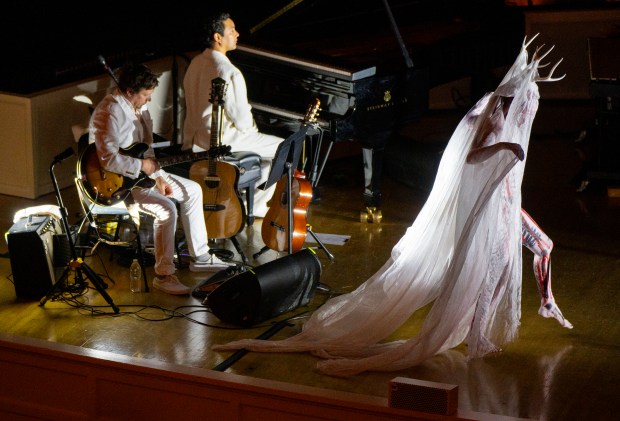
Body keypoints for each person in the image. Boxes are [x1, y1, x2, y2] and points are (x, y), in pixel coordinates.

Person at [212, 36, 573, 376]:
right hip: (489, 210)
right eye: (526, 107)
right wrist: (506, 151)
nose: (528, 115)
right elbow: (474, 156)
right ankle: (477, 332)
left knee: (539, 247)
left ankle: (544, 301)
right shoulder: (492, 121)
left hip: (506, 206)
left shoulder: (505, 118)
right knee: (483, 271)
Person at [88, 62, 234, 296]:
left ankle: (201, 258)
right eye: (146, 95)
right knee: (167, 209)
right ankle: (164, 275)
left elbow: (147, 152)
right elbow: (107, 159)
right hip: (118, 183)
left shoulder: (140, 109)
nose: (149, 100)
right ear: (129, 92)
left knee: (193, 190)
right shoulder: (110, 111)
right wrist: (142, 166)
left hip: (143, 174)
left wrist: (157, 178)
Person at [182, 11, 283, 219]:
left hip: (196, 139)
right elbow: (243, 122)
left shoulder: (194, 63)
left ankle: (245, 202)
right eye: (232, 30)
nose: (237, 34)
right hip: (225, 141)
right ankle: (256, 206)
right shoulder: (229, 71)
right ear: (218, 37)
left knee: (266, 159)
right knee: (284, 148)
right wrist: (254, 129)